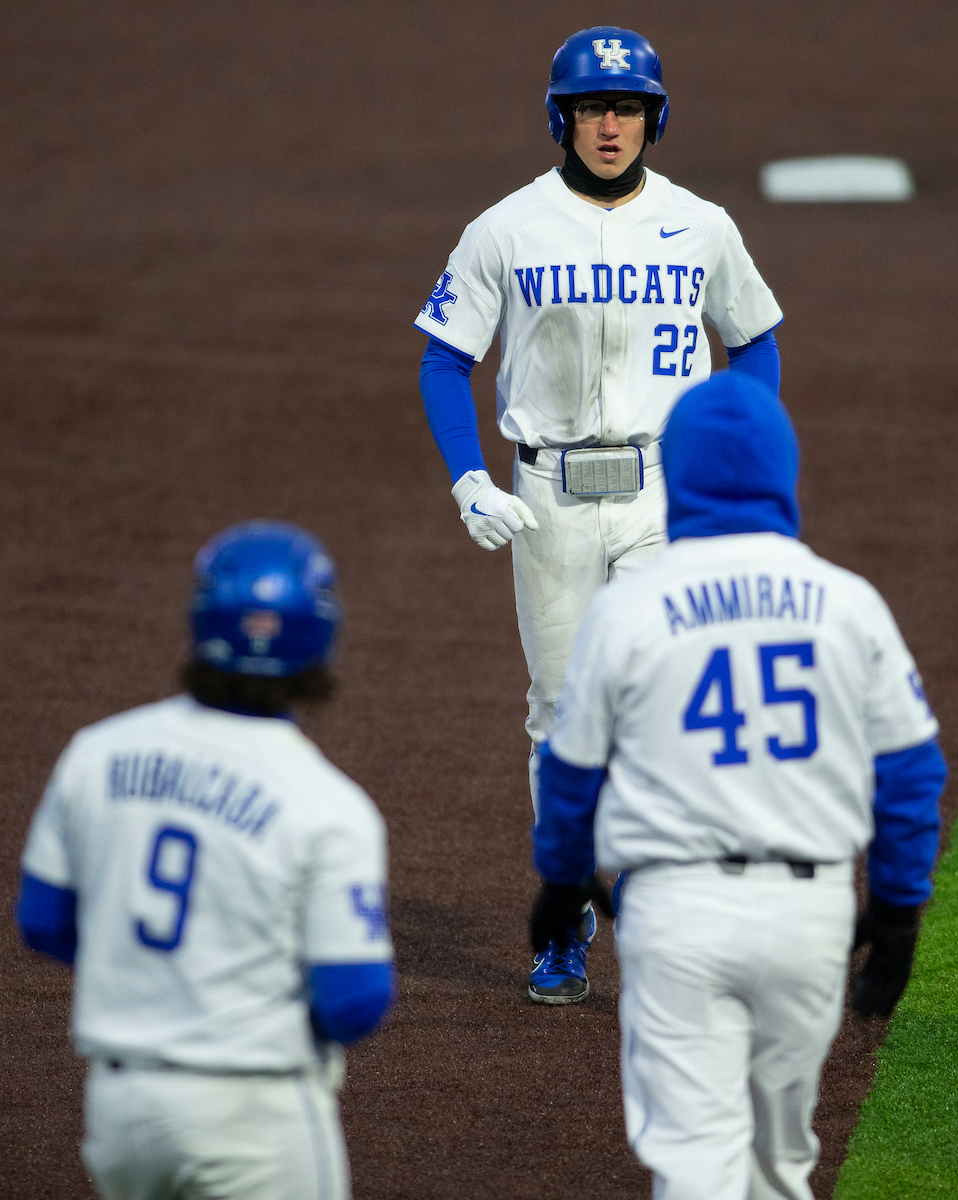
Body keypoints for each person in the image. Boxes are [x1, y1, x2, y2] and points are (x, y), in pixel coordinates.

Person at [415, 26, 783, 1003]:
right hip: (549, 503)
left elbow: (754, 342)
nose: (609, 125)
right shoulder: (508, 227)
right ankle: (568, 918)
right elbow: (446, 358)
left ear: (654, 116)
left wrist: (744, 462)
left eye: (625, 108)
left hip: (665, 494)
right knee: (564, 718)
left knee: (673, 702)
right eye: (591, 108)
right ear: (561, 117)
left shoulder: (702, 225)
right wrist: (468, 478)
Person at [528, 372, 947, 1200]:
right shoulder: (847, 602)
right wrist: (897, 913)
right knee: (779, 1169)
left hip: (677, 913)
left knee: (694, 1162)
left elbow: (571, 768)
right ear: (782, 470)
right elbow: (911, 772)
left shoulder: (631, 606)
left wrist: (564, 878)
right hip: (810, 915)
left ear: (675, 473)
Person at [16, 520, 395, 1200]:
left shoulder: (96, 753)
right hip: (253, 1115)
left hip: (122, 1113)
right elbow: (354, 1000)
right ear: (319, 641)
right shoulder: (330, 806)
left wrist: (158, 981)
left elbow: (44, 922)